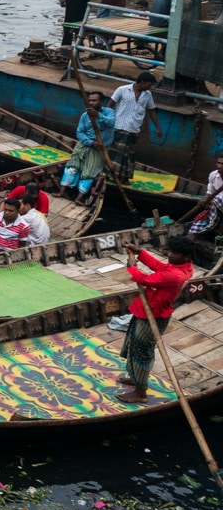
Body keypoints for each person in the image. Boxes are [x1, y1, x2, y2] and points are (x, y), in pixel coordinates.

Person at [117, 236, 197, 404]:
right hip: (146, 311)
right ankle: (136, 378)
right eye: (170, 250)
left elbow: (145, 280)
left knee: (142, 351)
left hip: (154, 315)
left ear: (186, 256)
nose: (169, 254)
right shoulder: (179, 267)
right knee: (134, 344)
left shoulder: (175, 275)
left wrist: (132, 268)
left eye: (174, 253)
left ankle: (140, 392)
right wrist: (141, 253)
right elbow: (159, 267)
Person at [63, 90, 116, 204]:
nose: (91, 103)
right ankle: (62, 192)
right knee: (72, 168)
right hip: (86, 144)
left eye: (94, 100)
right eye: (89, 100)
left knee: (89, 173)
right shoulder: (84, 115)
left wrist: (98, 115)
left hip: (100, 148)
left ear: (101, 102)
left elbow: (111, 123)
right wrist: (90, 142)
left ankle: (79, 198)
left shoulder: (109, 112)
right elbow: (79, 132)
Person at [108, 73, 159, 180]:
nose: (150, 87)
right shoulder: (122, 90)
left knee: (128, 155)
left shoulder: (148, 95)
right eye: (149, 84)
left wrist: (158, 127)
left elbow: (152, 111)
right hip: (119, 126)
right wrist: (107, 120)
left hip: (134, 129)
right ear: (142, 82)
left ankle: (122, 176)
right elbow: (110, 105)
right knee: (119, 153)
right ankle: (113, 175)